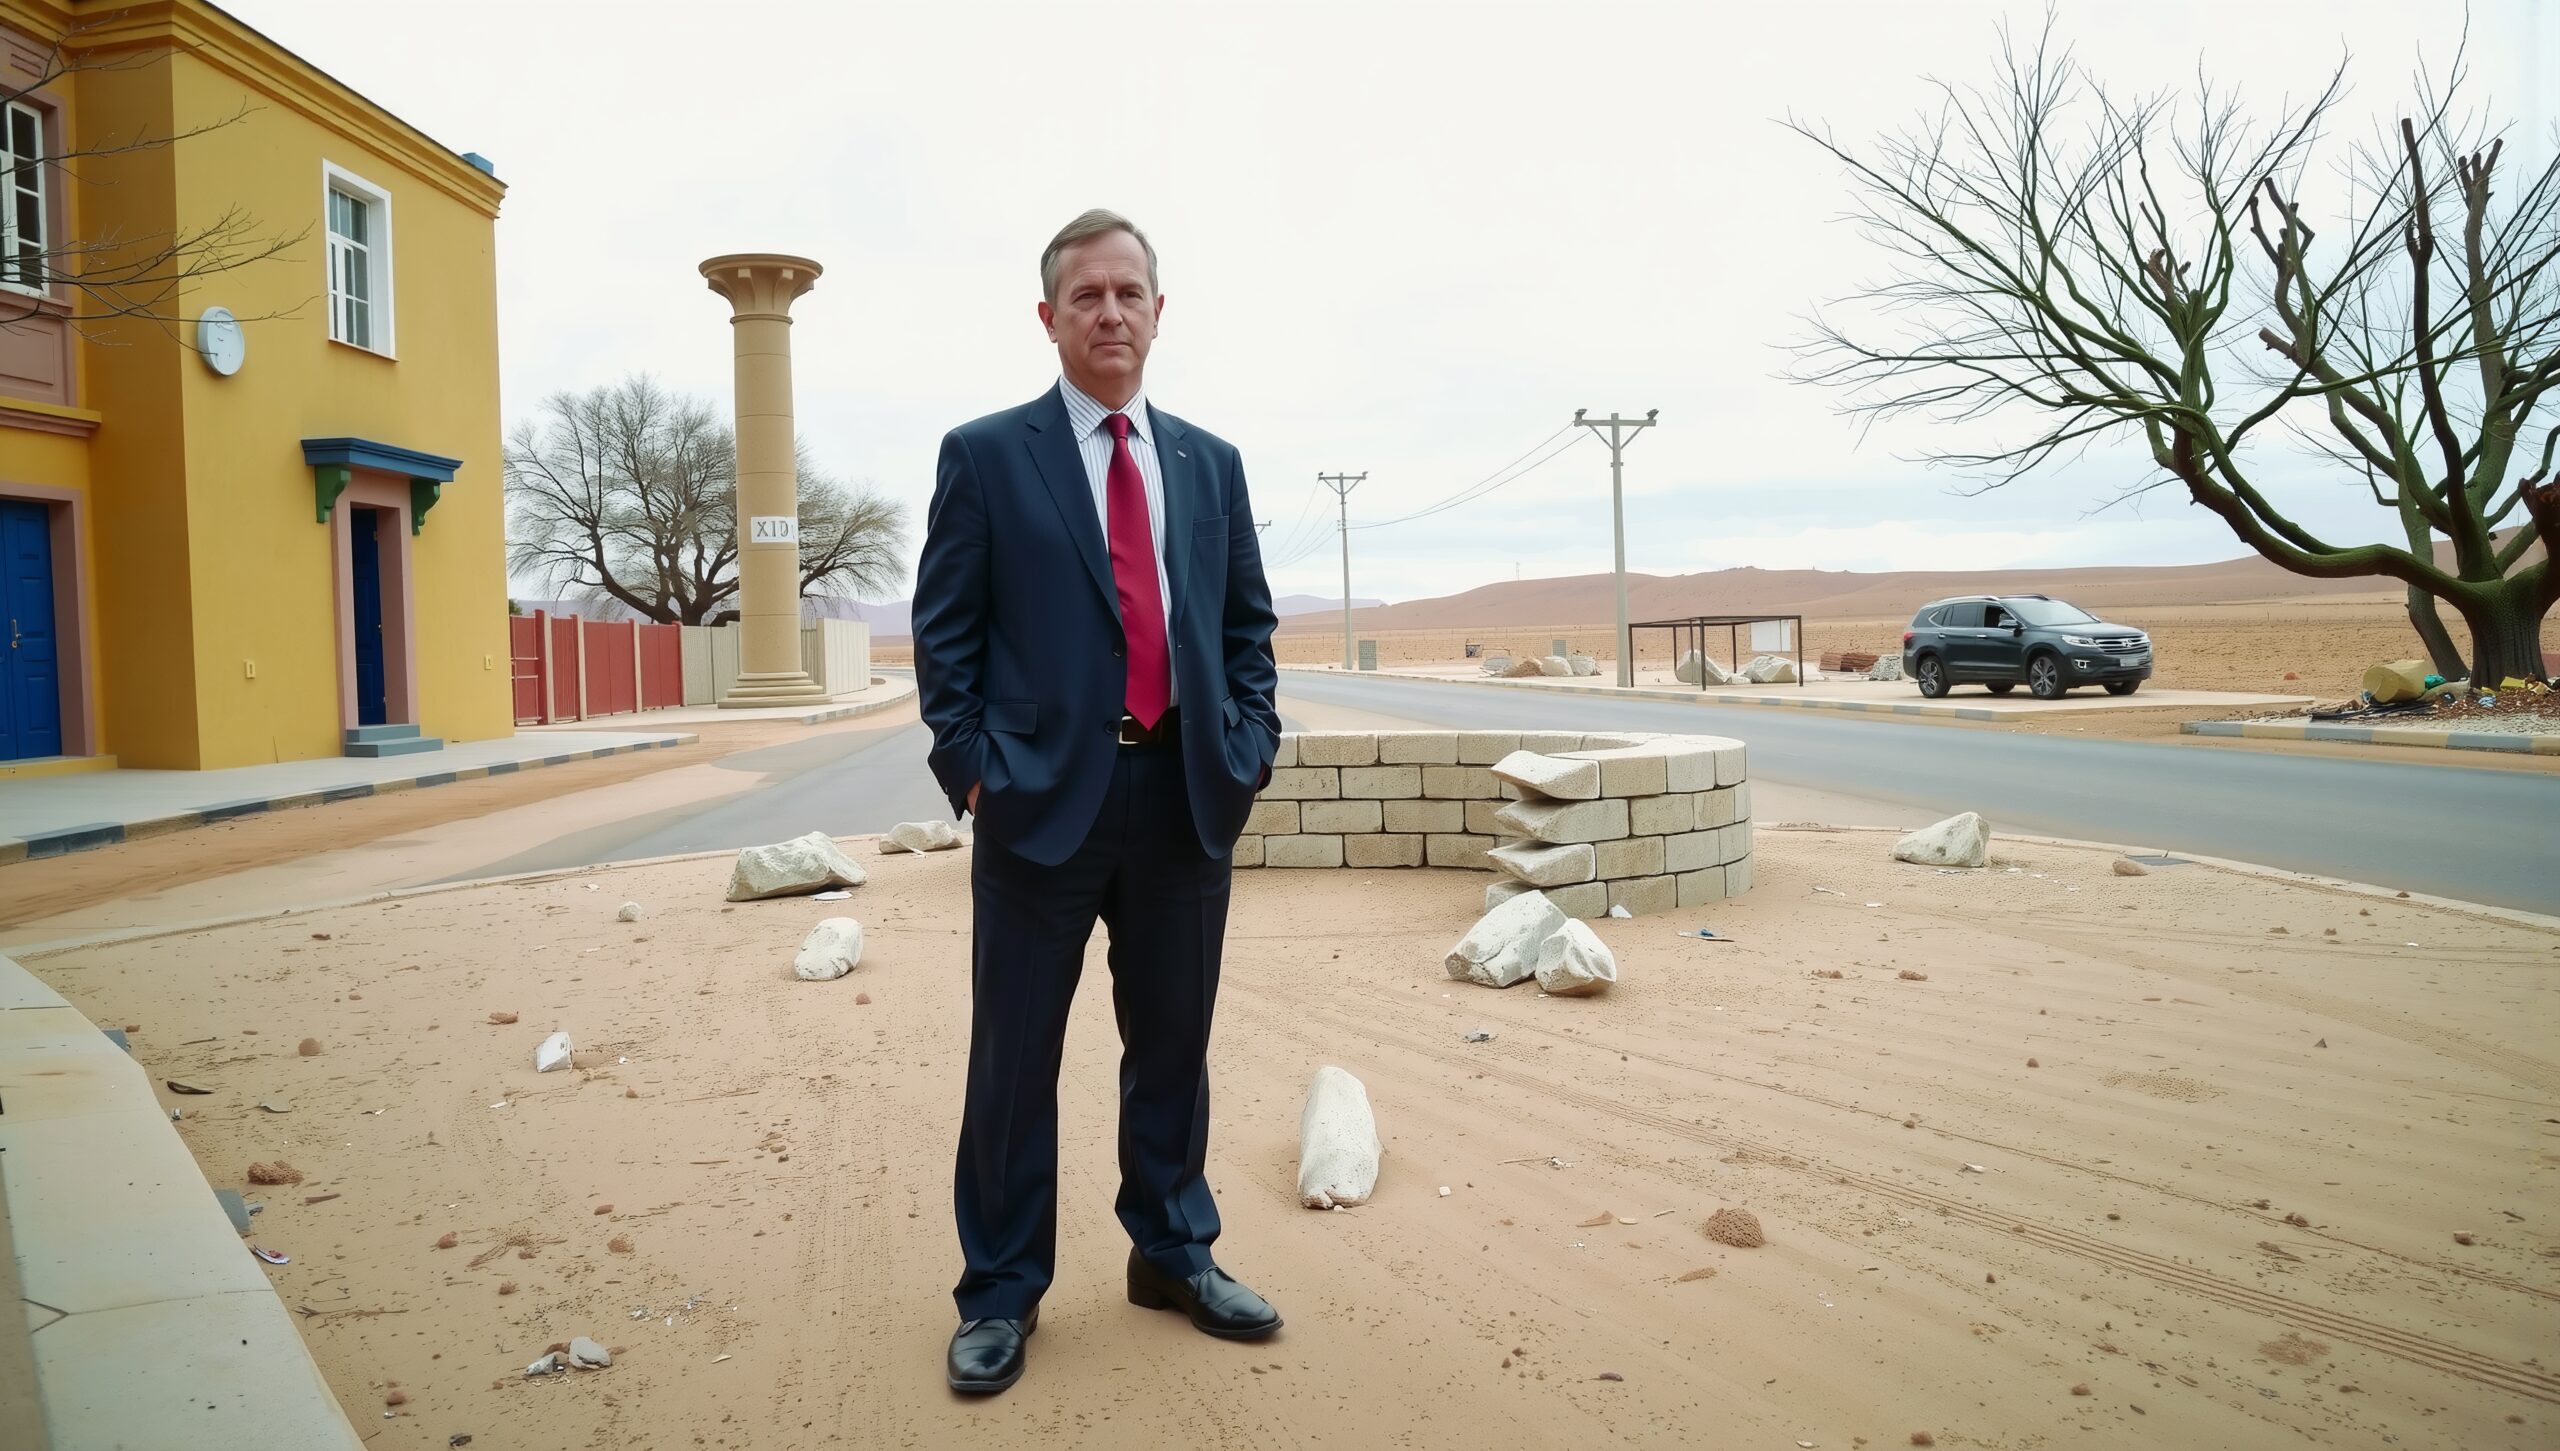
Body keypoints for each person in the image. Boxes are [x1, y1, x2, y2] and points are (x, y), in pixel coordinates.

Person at [910, 208, 1284, 1396]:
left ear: (1159, 311)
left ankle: (1173, 1250)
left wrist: (1247, 744)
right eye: (1087, 296)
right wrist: (975, 770)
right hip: (1039, 806)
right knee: (1013, 1060)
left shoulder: (1208, 462)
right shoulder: (985, 453)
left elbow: (1246, 627)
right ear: (1050, 317)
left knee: (1172, 1046)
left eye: (1130, 293)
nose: (1110, 312)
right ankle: (1000, 1290)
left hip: (1182, 796)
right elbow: (943, 637)